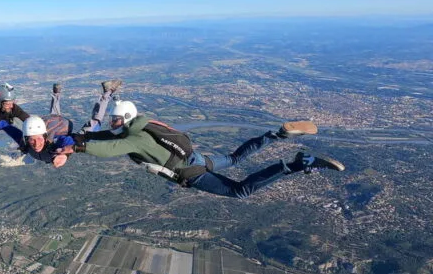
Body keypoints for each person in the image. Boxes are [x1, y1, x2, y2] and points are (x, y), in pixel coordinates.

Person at [61, 99, 345, 198]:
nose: (113, 123)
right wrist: (75, 137)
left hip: (194, 173)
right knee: (234, 158)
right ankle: (277, 135)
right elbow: (108, 139)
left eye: (115, 119)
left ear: (125, 118)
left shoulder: (135, 138)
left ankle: (297, 164)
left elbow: (110, 148)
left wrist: (78, 147)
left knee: (241, 191)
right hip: (198, 159)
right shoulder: (141, 127)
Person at [9, 80, 122, 168]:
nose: (36, 144)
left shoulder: (52, 147)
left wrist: (64, 154)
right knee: (54, 117)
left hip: (64, 129)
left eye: (38, 139)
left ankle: (107, 92)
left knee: (95, 123)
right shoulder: (29, 143)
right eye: (32, 140)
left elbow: (66, 141)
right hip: (55, 127)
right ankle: (56, 93)